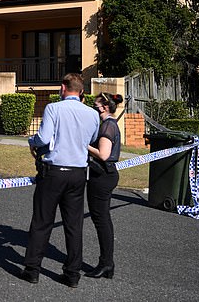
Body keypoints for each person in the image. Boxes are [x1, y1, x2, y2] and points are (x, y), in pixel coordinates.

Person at [21, 73, 99, 288]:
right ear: (81, 91)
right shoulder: (92, 114)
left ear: (63, 88)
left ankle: (32, 269)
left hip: (54, 170)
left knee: (42, 221)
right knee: (74, 224)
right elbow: (92, 139)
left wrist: (31, 140)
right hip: (78, 172)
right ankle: (72, 273)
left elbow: (44, 138)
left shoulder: (54, 108)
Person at [85, 92, 123, 279]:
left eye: (96, 105)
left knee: (101, 221)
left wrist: (83, 145)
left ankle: (106, 263)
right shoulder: (110, 124)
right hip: (105, 175)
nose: (94, 107)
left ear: (105, 107)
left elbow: (103, 154)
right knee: (103, 220)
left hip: (102, 176)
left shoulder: (108, 126)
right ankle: (107, 262)